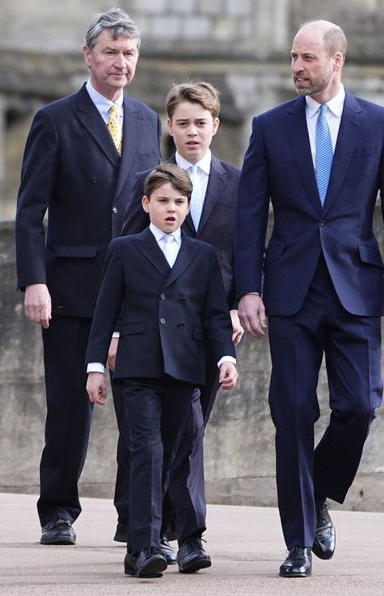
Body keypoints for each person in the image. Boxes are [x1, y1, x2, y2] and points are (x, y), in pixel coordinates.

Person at [235, 20, 384, 577]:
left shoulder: (380, 124)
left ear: (336, 61)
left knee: (360, 406)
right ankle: (296, 543)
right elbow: (248, 215)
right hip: (289, 292)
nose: (296, 67)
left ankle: (318, 495)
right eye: (293, 57)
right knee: (291, 411)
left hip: (356, 289)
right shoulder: (269, 128)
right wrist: (247, 288)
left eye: (307, 58)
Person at [13, 8, 162, 545]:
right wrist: (34, 281)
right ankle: (57, 509)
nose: (120, 63)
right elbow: (30, 211)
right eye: (110, 53)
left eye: (128, 54)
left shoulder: (147, 120)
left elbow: (155, 205)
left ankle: (133, 514)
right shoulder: (55, 119)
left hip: (133, 288)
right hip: (71, 287)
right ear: (88, 56)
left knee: (137, 402)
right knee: (70, 406)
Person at [85, 164, 237, 578]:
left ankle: (188, 538)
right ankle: (144, 547)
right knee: (146, 452)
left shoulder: (203, 255)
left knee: (180, 451)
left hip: (186, 368)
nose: (172, 209)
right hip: (137, 367)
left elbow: (215, 316)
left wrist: (226, 358)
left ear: (188, 207)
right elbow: (105, 312)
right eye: (164, 201)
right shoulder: (124, 249)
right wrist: (96, 367)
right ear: (146, 204)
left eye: (179, 202)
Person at [121, 82, 243, 563]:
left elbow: (249, 249)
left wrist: (242, 302)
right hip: (152, 334)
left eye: (201, 122)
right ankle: (159, 532)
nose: (192, 131)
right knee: (156, 434)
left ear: (215, 125)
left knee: (191, 431)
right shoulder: (147, 184)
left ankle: (184, 533)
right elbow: (126, 255)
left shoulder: (238, 182)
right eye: (183, 123)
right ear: (169, 127)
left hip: (213, 327)